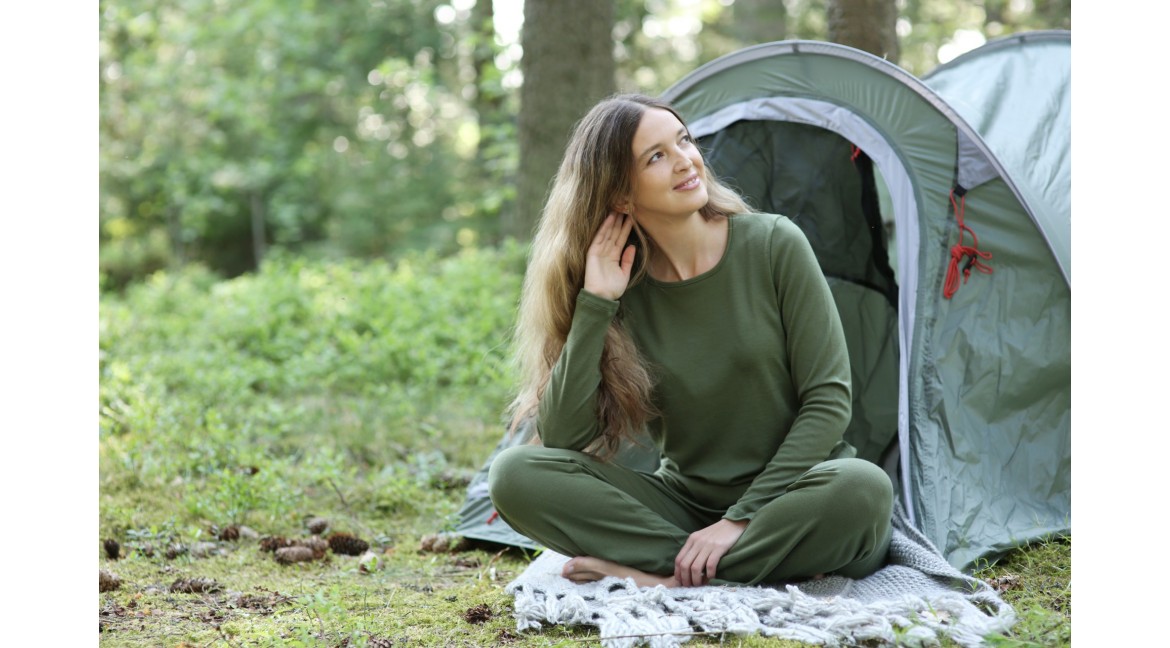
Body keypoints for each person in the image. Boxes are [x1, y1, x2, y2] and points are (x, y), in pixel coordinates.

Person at [488, 93, 893, 588]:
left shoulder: (773, 244)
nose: (686, 160)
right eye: (656, 156)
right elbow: (563, 438)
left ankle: (663, 578)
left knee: (864, 488)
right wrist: (596, 303)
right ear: (620, 194)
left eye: (683, 140)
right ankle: (722, 566)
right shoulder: (622, 290)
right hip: (685, 506)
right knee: (513, 474)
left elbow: (829, 403)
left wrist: (740, 520)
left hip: (797, 495)